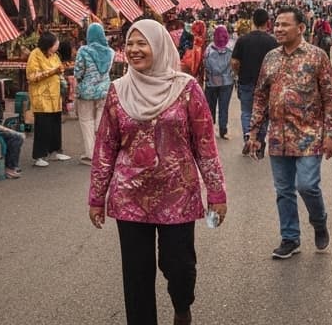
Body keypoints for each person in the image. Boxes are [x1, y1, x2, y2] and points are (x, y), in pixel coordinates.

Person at [88, 19, 227, 325]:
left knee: (179, 266)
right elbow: (105, 147)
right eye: (130, 44)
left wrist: (216, 193)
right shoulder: (118, 90)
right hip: (130, 196)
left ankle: (182, 305)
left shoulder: (186, 88)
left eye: (143, 43)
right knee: (136, 275)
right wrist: (97, 198)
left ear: (160, 45)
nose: (135, 50)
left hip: (178, 193)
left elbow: (205, 143)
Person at [244, 5, 332, 259]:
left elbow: (330, 97)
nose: (278, 28)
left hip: (309, 134)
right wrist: (253, 133)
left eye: (284, 24)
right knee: (284, 190)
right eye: (276, 24)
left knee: (307, 185)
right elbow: (260, 96)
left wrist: (331, 134)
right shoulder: (271, 58)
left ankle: (319, 222)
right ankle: (290, 238)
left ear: (301, 28)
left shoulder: (317, 56)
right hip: (278, 135)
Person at [231, 8, 278, 140]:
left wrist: (238, 73)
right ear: (267, 22)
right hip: (266, 84)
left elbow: (234, 62)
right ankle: (260, 140)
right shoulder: (273, 42)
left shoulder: (242, 40)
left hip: (246, 81)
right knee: (264, 112)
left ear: (253, 21)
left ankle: (247, 135)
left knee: (246, 111)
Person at [75, 22, 116, 162]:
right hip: (104, 90)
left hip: (86, 91)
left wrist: (80, 80)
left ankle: (91, 154)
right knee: (101, 121)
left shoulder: (83, 51)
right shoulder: (110, 52)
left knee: (86, 121)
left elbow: (78, 71)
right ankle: (102, 151)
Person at [27, 32, 69, 167]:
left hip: (55, 96)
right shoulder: (35, 54)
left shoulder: (55, 56)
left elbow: (59, 70)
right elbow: (32, 76)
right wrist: (52, 71)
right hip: (41, 96)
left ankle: (55, 151)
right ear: (49, 44)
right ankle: (39, 156)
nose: (57, 45)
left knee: (55, 125)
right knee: (42, 126)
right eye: (55, 43)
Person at [203, 25, 235, 139]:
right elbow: (234, 64)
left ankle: (209, 130)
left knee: (210, 107)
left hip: (212, 82)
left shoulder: (209, 49)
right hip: (227, 82)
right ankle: (223, 130)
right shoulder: (231, 48)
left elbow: (205, 65)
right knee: (223, 107)